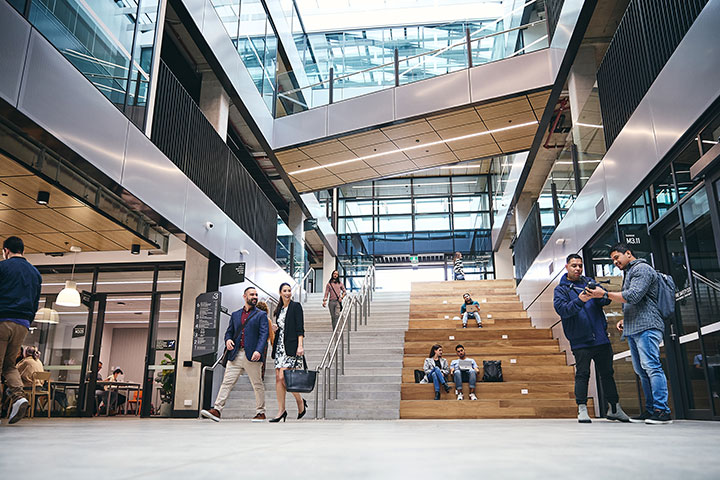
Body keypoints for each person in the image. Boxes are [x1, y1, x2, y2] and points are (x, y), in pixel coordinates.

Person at [553, 254, 630, 423]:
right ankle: (582, 409)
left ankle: (615, 409)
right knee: (582, 374)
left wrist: (600, 295)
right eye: (574, 265)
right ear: (566, 267)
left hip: (601, 338)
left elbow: (605, 302)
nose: (578, 268)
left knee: (607, 374)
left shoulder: (590, 283)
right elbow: (563, 310)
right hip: (581, 340)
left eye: (580, 265)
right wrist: (580, 301)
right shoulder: (561, 289)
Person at [603, 243, 672, 425]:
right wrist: (625, 320)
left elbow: (633, 296)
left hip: (648, 327)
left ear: (628, 253)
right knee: (641, 371)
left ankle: (662, 411)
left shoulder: (641, 269)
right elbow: (639, 302)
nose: (615, 262)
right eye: (613, 260)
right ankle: (651, 410)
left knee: (651, 366)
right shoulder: (629, 273)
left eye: (617, 257)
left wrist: (604, 293)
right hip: (635, 327)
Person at [201, 286, 269, 422]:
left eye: (256, 295)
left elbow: (263, 334)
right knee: (227, 382)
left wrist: (258, 350)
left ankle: (260, 412)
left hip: (252, 356)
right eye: (252, 295)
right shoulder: (235, 314)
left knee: (257, 384)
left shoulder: (261, 315)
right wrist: (228, 340)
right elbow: (229, 332)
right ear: (245, 296)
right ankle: (217, 409)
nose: (255, 297)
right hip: (235, 355)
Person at [0, 236, 42, 425]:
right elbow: (35, 302)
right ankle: (19, 397)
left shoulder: (3, 267)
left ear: (6, 250)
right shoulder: (35, 273)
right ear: (23, 250)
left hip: (2, 320)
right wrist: (27, 321)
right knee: (8, 365)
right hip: (23, 324)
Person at [270, 282, 307, 422]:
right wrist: (276, 329)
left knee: (284, 378)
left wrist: (300, 346)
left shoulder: (296, 307)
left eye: (289, 290)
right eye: (284, 290)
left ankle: (300, 401)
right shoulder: (279, 309)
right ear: (280, 293)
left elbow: (300, 328)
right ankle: (281, 411)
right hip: (279, 348)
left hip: (290, 348)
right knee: (278, 379)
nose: (287, 293)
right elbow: (282, 329)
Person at [256, 300, 274, 380]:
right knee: (262, 361)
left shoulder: (253, 319)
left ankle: (254, 376)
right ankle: (260, 377)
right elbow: (271, 334)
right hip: (263, 344)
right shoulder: (267, 320)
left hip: (254, 343)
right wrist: (274, 346)